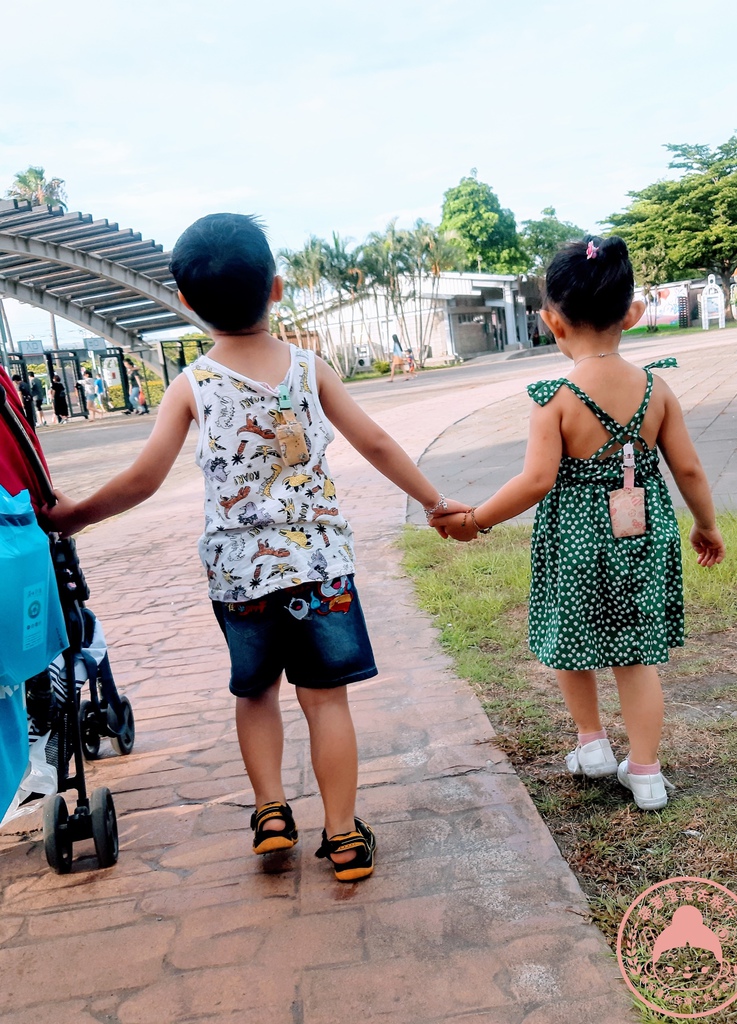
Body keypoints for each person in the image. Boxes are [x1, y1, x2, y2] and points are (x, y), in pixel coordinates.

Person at [45, 213, 465, 880]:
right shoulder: (310, 368)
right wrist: (436, 503)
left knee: (256, 694)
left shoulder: (192, 386)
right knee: (325, 698)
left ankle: (271, 813)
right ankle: (343, 835)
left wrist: (76, 515)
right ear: (275, 289)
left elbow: (144, 478)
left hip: (240, 574)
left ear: (184, 303)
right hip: (320, 567)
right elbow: (377, 443)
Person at [432, 236, 725, 811]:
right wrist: (706, 525)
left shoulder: (555, 398)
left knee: (573, 640)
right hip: (642, 537)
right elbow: (687, 466)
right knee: (636, 656)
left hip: (574, 544)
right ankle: (644, 773)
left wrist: (477, 519)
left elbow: (535, 480)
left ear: (551, 323)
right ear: (634, 315)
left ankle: (591, 744)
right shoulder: (656, 388)